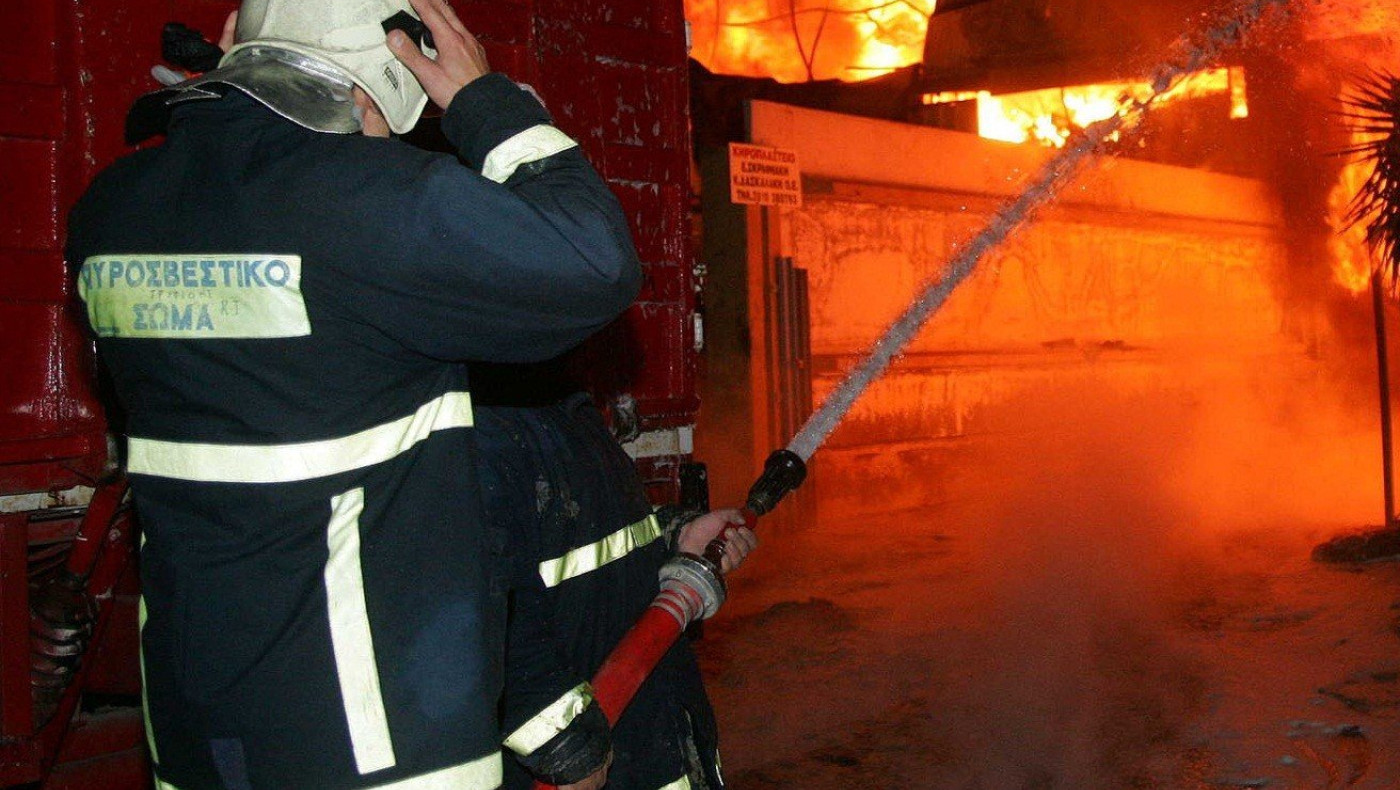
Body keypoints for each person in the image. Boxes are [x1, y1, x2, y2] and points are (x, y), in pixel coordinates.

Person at [67, 0, 641, 787]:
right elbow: (595, 260)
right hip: (377, 746)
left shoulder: (111, 209)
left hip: (195, 735)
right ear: (371, 91)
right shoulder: (370, 202)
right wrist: (485, 104)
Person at [471, 365, 757, 790]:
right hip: (584, 762)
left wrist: (676, 534)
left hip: (642, 739)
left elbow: (591, 536)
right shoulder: (478, 435)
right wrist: (561, 742)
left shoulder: (564, 411)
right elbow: (475, 611)